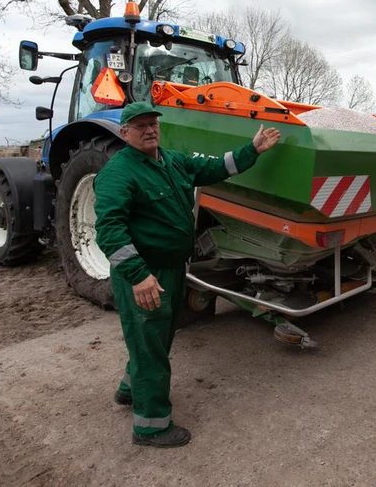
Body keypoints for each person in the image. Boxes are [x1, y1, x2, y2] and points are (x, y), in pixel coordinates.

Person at [94, 101, 280, 448]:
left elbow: (212, 168)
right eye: (140, 126)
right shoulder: (118, 173)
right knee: (150, 346)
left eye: (153, 124)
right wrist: (138, 275)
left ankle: (129, 390)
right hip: (145, 275)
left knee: (155, 340)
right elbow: (109, 231)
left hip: (171, 270)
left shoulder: (170, 161)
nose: (150, 130)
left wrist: (252, 150)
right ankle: (151, 427)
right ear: (124, 133)